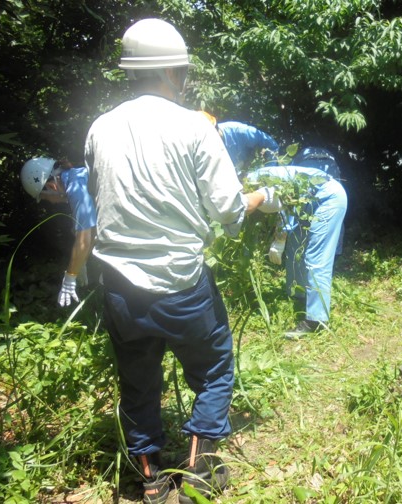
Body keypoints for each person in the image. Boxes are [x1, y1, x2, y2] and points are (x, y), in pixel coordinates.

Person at [84, 18, 280, 504]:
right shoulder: (192, 126)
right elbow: (229, 211)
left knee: (137, 384)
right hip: (182, 285)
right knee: (214, 370)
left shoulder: (100, 127)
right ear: (173, 71)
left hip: (119, 288)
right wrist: (260, 198)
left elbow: (98, 197)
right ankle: (199, 471)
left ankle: (151, 481)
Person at [247, 165, 347, 339]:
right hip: (308, 201)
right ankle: (299, 295)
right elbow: (288, 208)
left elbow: (282, 205)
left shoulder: (261, 180)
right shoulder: (257, 177)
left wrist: (278, 239)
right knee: (294, 247)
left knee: (316, 258)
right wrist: (282, 238)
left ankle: (317, 320)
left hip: (329, 198)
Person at [20, 157, 96, 307]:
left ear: (51, 186)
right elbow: (91, 230)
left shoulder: (76, 189)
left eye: (44, 197)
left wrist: (70, 277)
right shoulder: (76, 177)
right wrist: (81, 262)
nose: (49, 202)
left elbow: (84, 240)